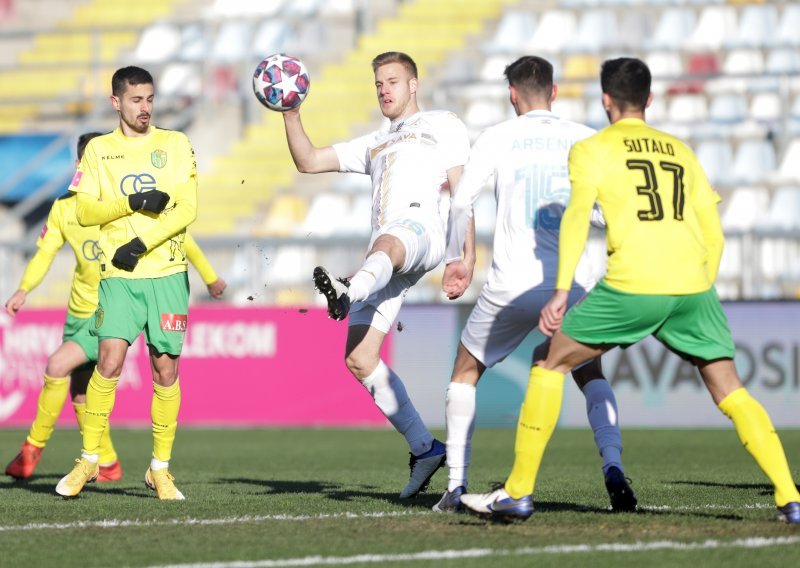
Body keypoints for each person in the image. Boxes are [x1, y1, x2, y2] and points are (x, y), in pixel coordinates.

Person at [460, 57, 800, 523]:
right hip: (693, 289)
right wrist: (701, 284)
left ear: (605, 100)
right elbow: (715, 235)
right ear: (650, 99)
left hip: (633, 286)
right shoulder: (680, 150)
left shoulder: (592, 149)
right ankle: (789, 496)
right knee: (731, 390)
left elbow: (577, 219)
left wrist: (561, 292)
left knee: (548, 360)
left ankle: (517, 493)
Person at [433, 56, 634, 514]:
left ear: (512, 95)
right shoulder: (585, 137)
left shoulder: (498, 137)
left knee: (465, 374)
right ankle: (614, 470)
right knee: (590, 373)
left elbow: (461, 201)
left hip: (510, 285)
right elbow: (611, 211)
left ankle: (456, 486)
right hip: (573, 285)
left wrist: (459, 259)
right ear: (555, 91)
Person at [281, 51, 472, 498]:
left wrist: (465, 256)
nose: (385, 90)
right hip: (385, 257)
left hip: (421, 233)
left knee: (387, 243)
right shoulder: (375, 143)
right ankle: (425, 449)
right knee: (359, 358)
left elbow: (463, 191)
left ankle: (348, 288)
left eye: (392, 81)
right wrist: (290, 112)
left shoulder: (443, 124)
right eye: (378, 84)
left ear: (413, 85)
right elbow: (308, 160)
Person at [4, 133, 227, 482]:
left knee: (57, 364)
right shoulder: (65, 208)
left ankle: (33, 450)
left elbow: (183, 236)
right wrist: (24, 288)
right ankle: (106, 462)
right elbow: (44, 253)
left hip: (106, 306)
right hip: (76, 313)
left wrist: (211, 278)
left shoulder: (128, 204)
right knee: (80, 390)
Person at [55, 66, 199, 500]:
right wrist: (131, 202)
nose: (145, 108)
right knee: (109, 361)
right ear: (116, 102)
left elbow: (185, 208)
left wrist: (140, 242)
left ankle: (160, 469)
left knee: (165, 368)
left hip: (168, 273)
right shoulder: (98, 151)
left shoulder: (175, 144)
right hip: (119, 276)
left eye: (150, 99)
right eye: (136, 100)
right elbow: (85, 212)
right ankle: (88, 459)